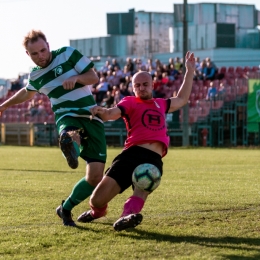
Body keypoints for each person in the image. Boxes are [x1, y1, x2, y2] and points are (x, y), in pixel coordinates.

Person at [76, 51, 195, 231]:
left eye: (145, 84)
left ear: (152, 85)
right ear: (133, 88)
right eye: (137, 85)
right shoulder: (130, 102)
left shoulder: (161, 104)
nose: (141, 88)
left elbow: (182, 99)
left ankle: (127, 216)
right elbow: (110, 114)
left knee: (143, 185)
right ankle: (97, 212)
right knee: (96, 200)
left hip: (153, 159)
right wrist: (101, 111)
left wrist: (190, 71)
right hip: (130, 155)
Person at [0, 30, 107, 227]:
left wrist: (76, 79)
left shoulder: (67, 53)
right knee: (69, 132)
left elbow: (94, 77)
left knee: (95, 177)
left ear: (48, 45)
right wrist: (3, 106)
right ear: (28, 54)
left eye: (42, 50)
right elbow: (27, 93)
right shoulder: (36, 75)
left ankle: (65, 209)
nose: (40, 56)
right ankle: (70, 146)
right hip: (66, 115)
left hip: (91, 115)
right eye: (35, 54)